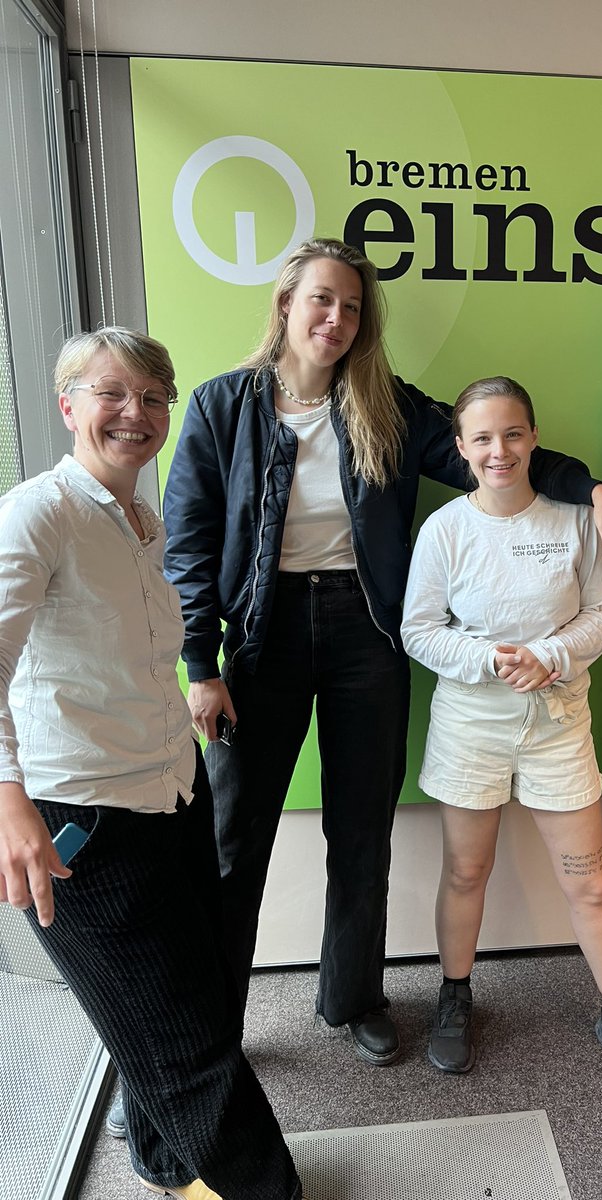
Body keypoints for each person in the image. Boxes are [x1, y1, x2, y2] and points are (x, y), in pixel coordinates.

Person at [163, 237, 602, 1067]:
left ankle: (352, 999)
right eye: (321, 300)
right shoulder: (221, 406)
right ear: (285, 304)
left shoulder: (385, 405)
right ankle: (207, 1030)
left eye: (351, 305)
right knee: (233, 840)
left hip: (366, 635)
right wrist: (199, 664)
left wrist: (590, 487)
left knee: (361, 834)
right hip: (262, 636)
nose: (336, 318)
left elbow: (493, 456)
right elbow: (189, 544)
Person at [0, 329, 301, 1200]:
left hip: (168, 789)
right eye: (112, 393)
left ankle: (170, 1167)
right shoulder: (40, 512)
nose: (137, 413)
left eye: (155, 397)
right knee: (192, 1049)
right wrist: (9, 798)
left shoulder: (140, 519)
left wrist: (193, 698)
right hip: (82, 818)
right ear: (68, 406)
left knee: (188, 1001)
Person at [401, 376, 602, 1094]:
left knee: (589, 881)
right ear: (461, 449)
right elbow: (418, 630)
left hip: (558, 723)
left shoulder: (575, 519)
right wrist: (490, 659)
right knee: (466, 872)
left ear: (534, 438)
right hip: (471, 724)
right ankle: (455, 996)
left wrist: (550, 657)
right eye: (483, 438)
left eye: (514, 434)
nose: (501, 450)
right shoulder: (446, 530)